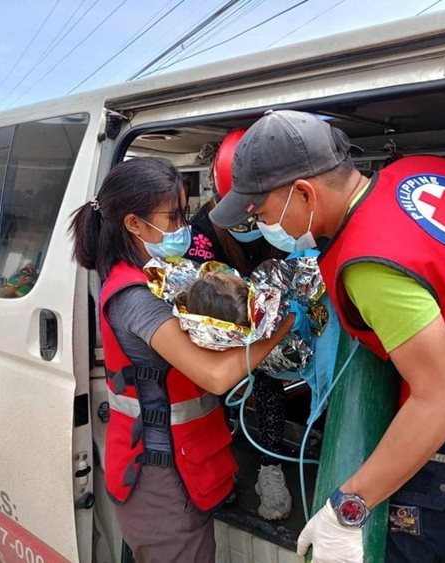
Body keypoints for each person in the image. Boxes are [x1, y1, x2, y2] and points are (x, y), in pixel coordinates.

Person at [209, 110, 445, 563]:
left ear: (302, 193)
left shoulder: (370, 263)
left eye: (261, 210)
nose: (259, 222)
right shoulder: (427, 170)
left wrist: (347, 508)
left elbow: (443, 402)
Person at [69, 156, 294, 563]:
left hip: (187, 463)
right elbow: (215, 376)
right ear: (134, 224)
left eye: (185, 214)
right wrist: (282, 324)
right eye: (172, 218)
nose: (183, 229)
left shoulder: (164, 274)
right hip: (159, 476)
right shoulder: (134, 296)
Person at [185, 129, 295, 522]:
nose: (255, 219)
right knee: (217, 397)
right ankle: (222, 470)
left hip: (272, 325)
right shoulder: (204, 229)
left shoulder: (284, 218)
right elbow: (202, 291)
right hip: (222, 323)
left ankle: (270, 468)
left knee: (267, 385)